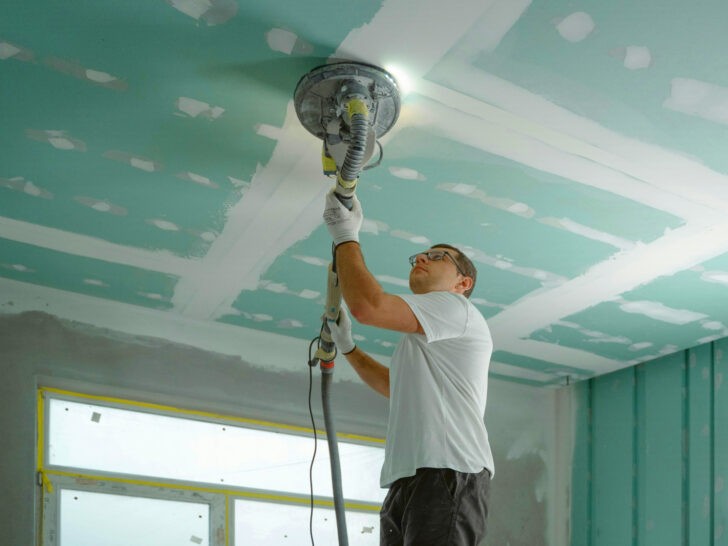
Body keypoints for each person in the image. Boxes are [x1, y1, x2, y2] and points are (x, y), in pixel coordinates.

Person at [323, 189, 495, 546]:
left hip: (449, 470)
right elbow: (393, 386)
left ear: (462, 284)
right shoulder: (424, 340)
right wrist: (348, 348)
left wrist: (345, 236)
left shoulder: (455, 308)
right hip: (411, 477)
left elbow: (369, 307)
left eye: (437, 256)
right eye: (419, 255)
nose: (422, 258)